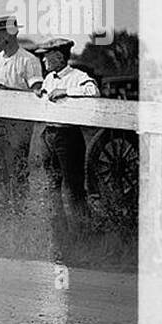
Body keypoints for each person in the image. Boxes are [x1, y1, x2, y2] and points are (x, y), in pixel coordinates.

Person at [36, 37, 99, 223]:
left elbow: (93, 91)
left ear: (59, 57)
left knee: (73, 188)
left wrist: (67, 92)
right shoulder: (48, 78)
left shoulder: (77, 77)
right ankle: (59, 232)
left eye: (47, 56)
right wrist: (40, 92)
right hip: (48, 135)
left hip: (68, 137)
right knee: (51, 185)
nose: (43, 60)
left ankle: (82, 233)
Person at [0, 15, 43, 211]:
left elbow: (36, 93)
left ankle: (19, 212)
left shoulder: (29, 60)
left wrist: (7, 91)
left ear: (10, 34)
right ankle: (0, 213)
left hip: (19, 123)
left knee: (17, 168)